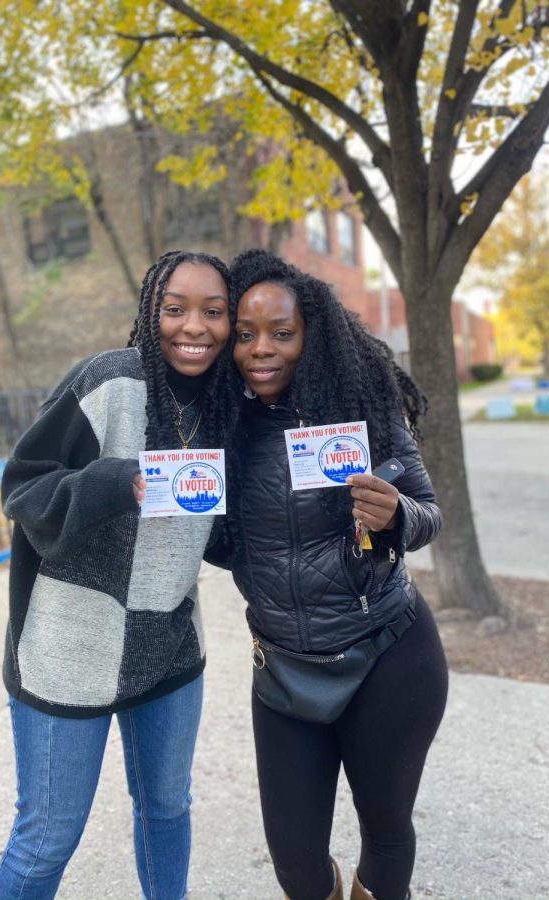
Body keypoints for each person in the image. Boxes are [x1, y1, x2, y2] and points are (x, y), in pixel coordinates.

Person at [207, 249, 448, 900]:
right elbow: (230, 549)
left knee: (387, 830)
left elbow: (428, 513)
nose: (262, 349)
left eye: (280, 333)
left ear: (308, 336)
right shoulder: (221, 427)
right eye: (246, 334)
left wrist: (394, 514)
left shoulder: (359, 404)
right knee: (294, 862)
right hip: (283, 671)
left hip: (387, 657)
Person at [0, 250, 233, 900]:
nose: (194, 326)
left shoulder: (228, 408)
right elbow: (22, 487)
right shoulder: (107, 380)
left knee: (166, 810)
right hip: (68, 651)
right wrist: (114, 482)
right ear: (151, 309)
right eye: (175, 307)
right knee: (46, 838)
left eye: (213, 311)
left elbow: (224, 535)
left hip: (170, 646)